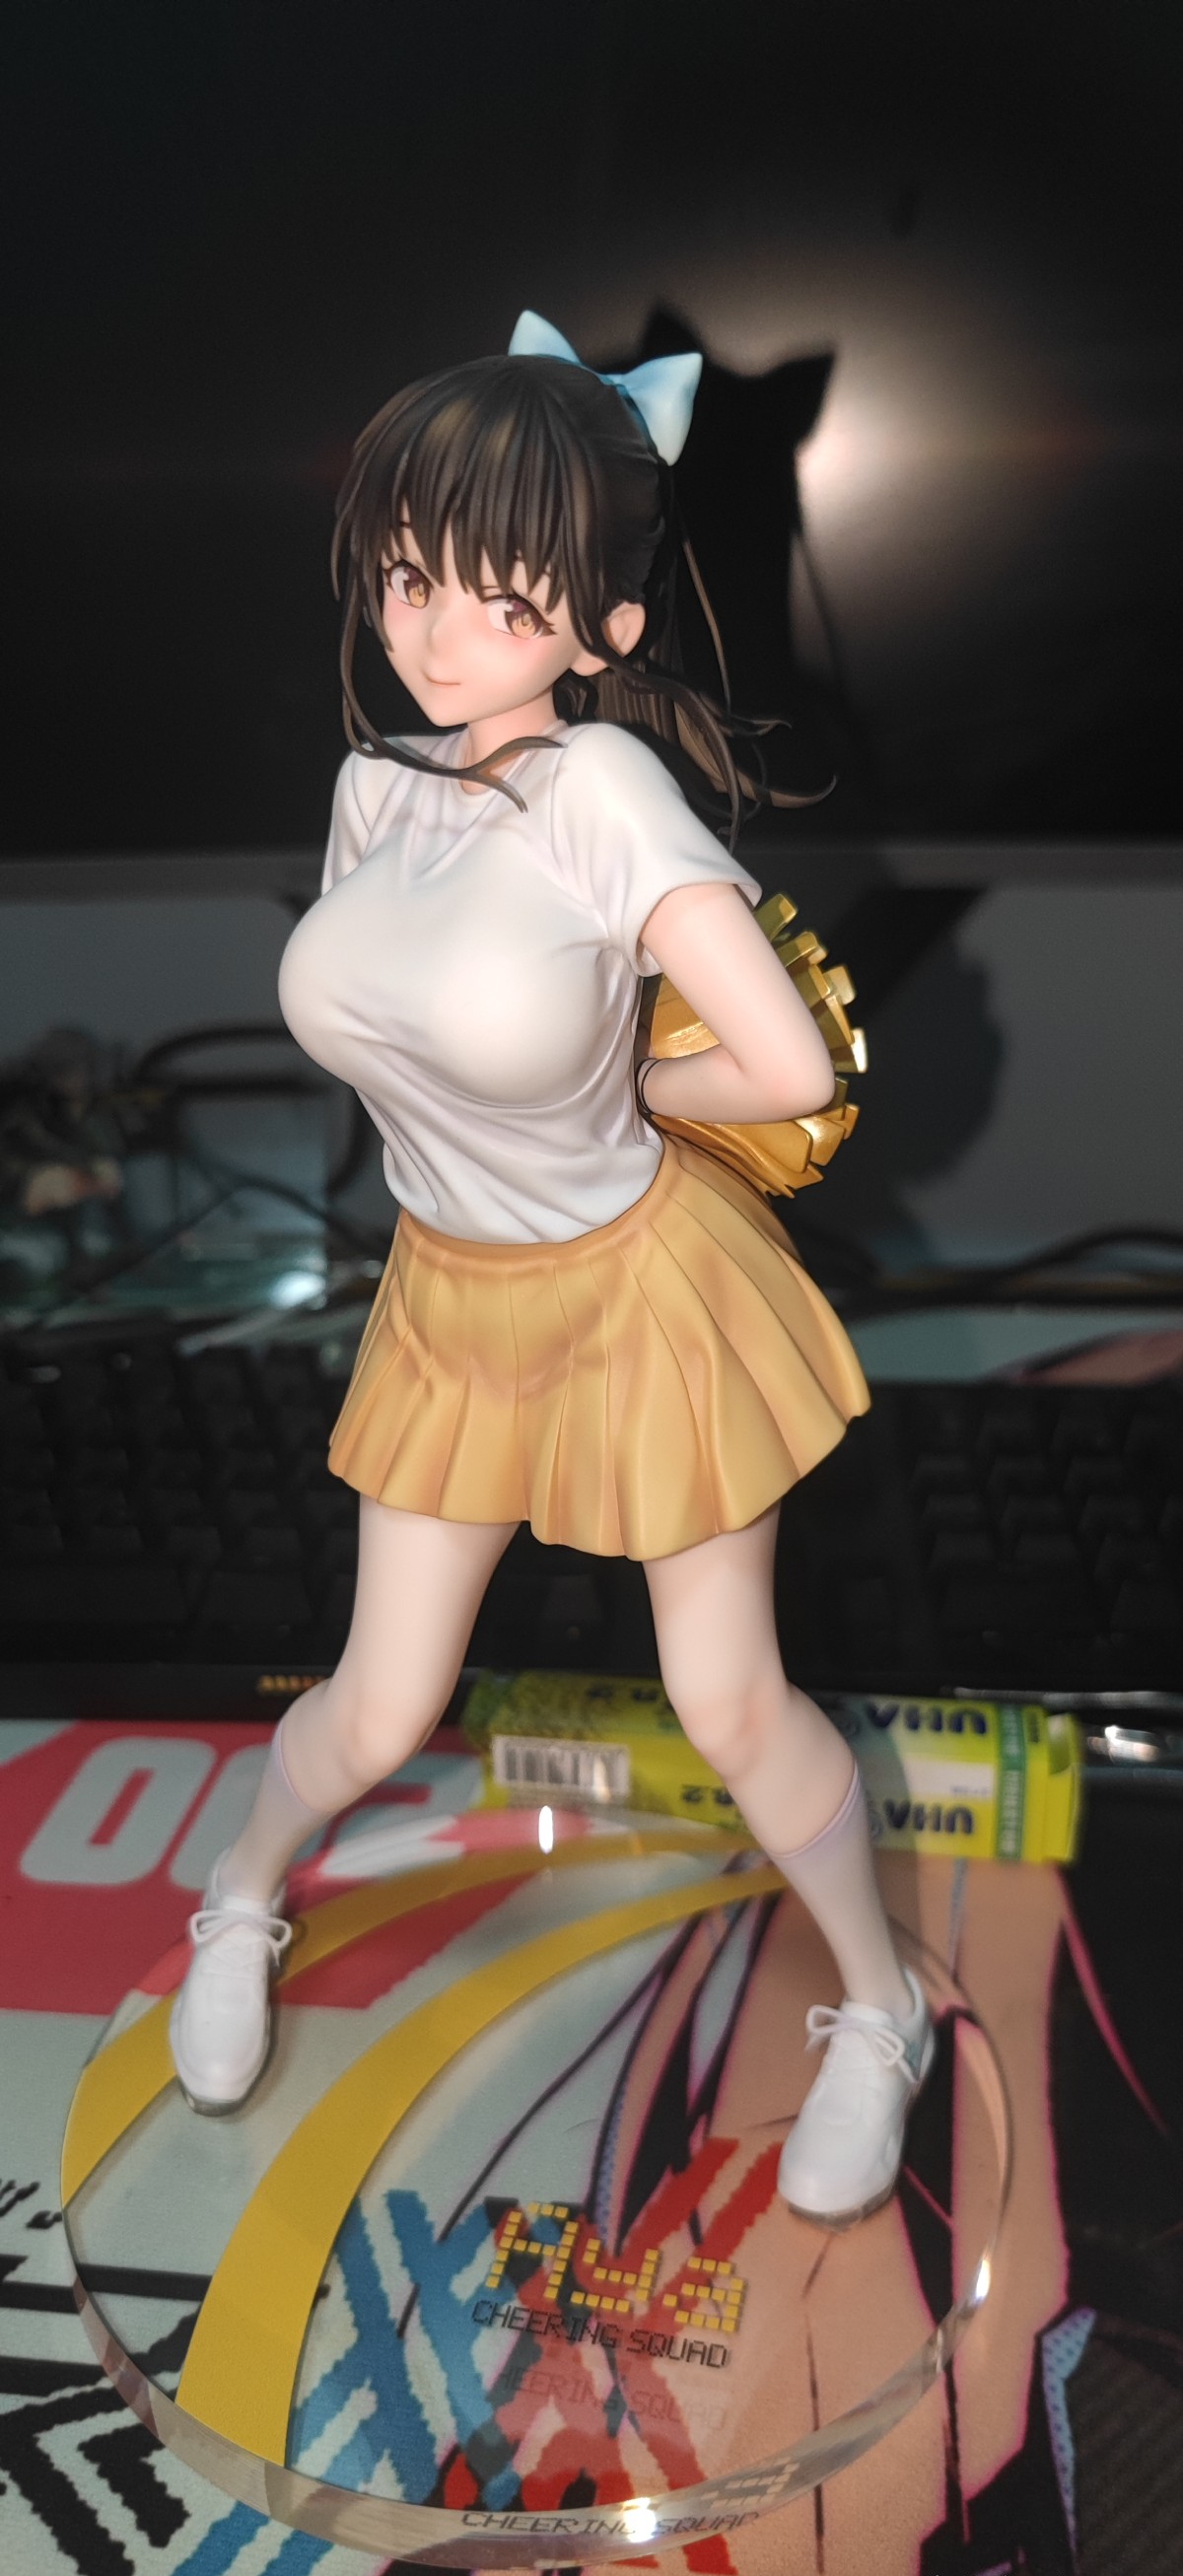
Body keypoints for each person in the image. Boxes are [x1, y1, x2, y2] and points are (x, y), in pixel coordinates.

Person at [169, 313, 934, 2226]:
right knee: (374, 1701)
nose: (436, 635)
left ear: (601, 627)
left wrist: (622, 1088)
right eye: (409, 577)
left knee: (731, 1701)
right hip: (453, 1296)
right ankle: (240, 1896)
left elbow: (792, 1065)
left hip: (637, 1292)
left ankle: (885, 2004)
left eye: (501, 601)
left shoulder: (604, 794)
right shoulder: (377, 786)